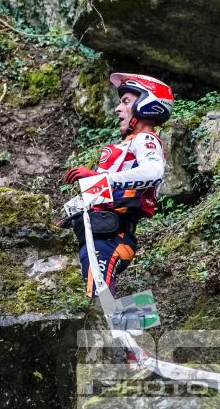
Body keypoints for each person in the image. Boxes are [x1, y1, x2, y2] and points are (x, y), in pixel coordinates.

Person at [62, 73, 174, 297]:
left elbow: (153, 172)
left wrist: (100, 177)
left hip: (112, 238)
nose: (117, 108)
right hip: (94, 236)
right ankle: (144, 313)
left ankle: (144, 315)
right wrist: (64, 220)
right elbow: (98, 198)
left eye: (126, 102)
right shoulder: (125, 147)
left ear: (146, 104)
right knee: (94, 301)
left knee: (98, 300)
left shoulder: (146, 139)